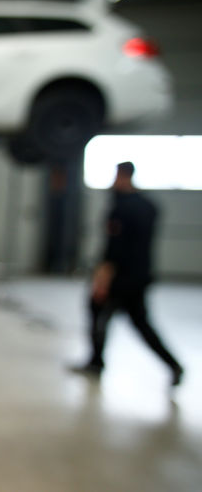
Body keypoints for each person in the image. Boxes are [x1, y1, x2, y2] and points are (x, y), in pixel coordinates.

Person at [74, 161, 184, 386]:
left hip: (120, 277)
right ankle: (173, 365)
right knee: (140, 323)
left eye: (116, 176)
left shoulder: (121, 207)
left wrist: (103, 279)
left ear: (124, 176)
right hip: (140, 274)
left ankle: (96, 362)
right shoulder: (149, 205)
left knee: (99, 310)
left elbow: (115, 247)